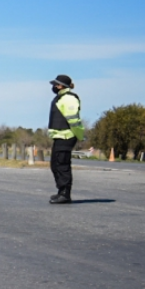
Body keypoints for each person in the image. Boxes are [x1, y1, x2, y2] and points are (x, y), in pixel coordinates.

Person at [48, 74, 85, 204]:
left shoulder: (69, 98)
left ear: (61, 86)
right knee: (55, 165)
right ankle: (61, 192)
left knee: (62, 165)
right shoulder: (61, 97)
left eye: (55, 84)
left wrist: (79, 135)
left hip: (67, 136)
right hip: (60, 136)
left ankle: (65, 194)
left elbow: (73, 120)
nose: (54, 87)